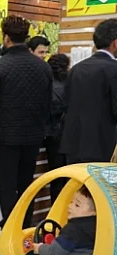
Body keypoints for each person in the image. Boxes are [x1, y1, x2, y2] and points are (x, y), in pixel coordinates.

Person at [0, 16, 52, 230]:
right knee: (26, 184)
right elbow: (47, 102)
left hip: (6, 135)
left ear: (6, 38)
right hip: (33, 135)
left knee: (7, 186)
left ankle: (9, 229)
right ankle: (25, 228)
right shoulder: (43, 67)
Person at [60, 18, 117, 164]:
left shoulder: (76, 69)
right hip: (103, 146)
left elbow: (65, 104)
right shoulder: (113, 69)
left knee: (75, 186)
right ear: (115, 43)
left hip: (73, 144)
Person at [31, 186, 96, 255]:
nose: (70, 206)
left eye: (77, 205)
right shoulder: (100, 226)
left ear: (94, 212)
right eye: (71, 202)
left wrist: (39, 248)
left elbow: (53, 254)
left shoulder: (73, 230)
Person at [46, 54, 69, 204]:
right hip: (68, 134)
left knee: (56, 177)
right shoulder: (71, 84)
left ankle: (55, 209)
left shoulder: (47, 86)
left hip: (53, 135)